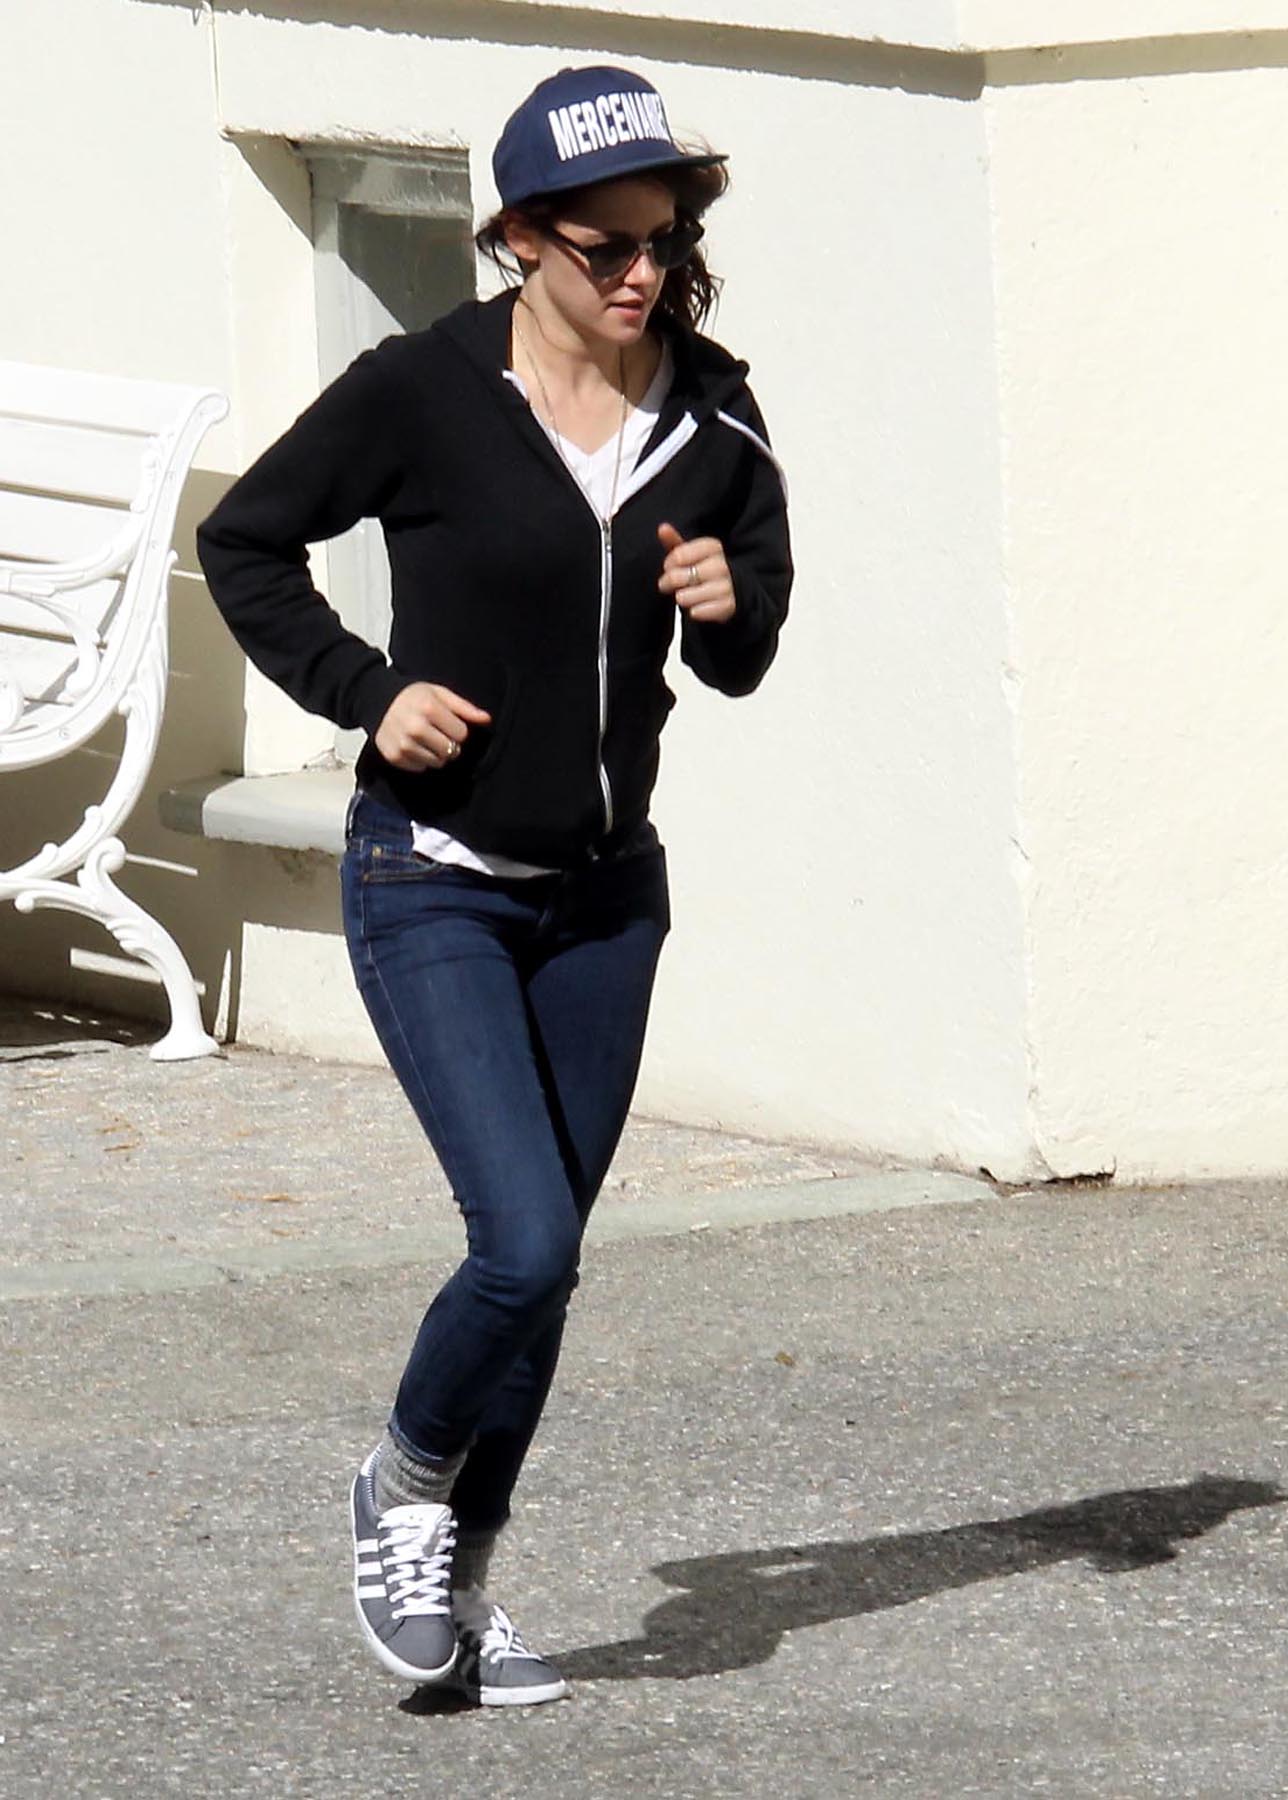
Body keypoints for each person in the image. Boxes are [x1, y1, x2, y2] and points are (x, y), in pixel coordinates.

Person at [197, 65, 793, 1706]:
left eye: (662, 241)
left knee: (553, 1266)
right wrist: (360, 688)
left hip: (608, 895)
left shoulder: (713, 409)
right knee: (520, 1244)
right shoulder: (422, 391)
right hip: (437, 877)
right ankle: (393, 1487)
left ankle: (459, 1581)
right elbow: (249, 541)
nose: (638, 274)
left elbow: (744, 654)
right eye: (603, 243)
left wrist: (725, 601)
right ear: (519, 236)